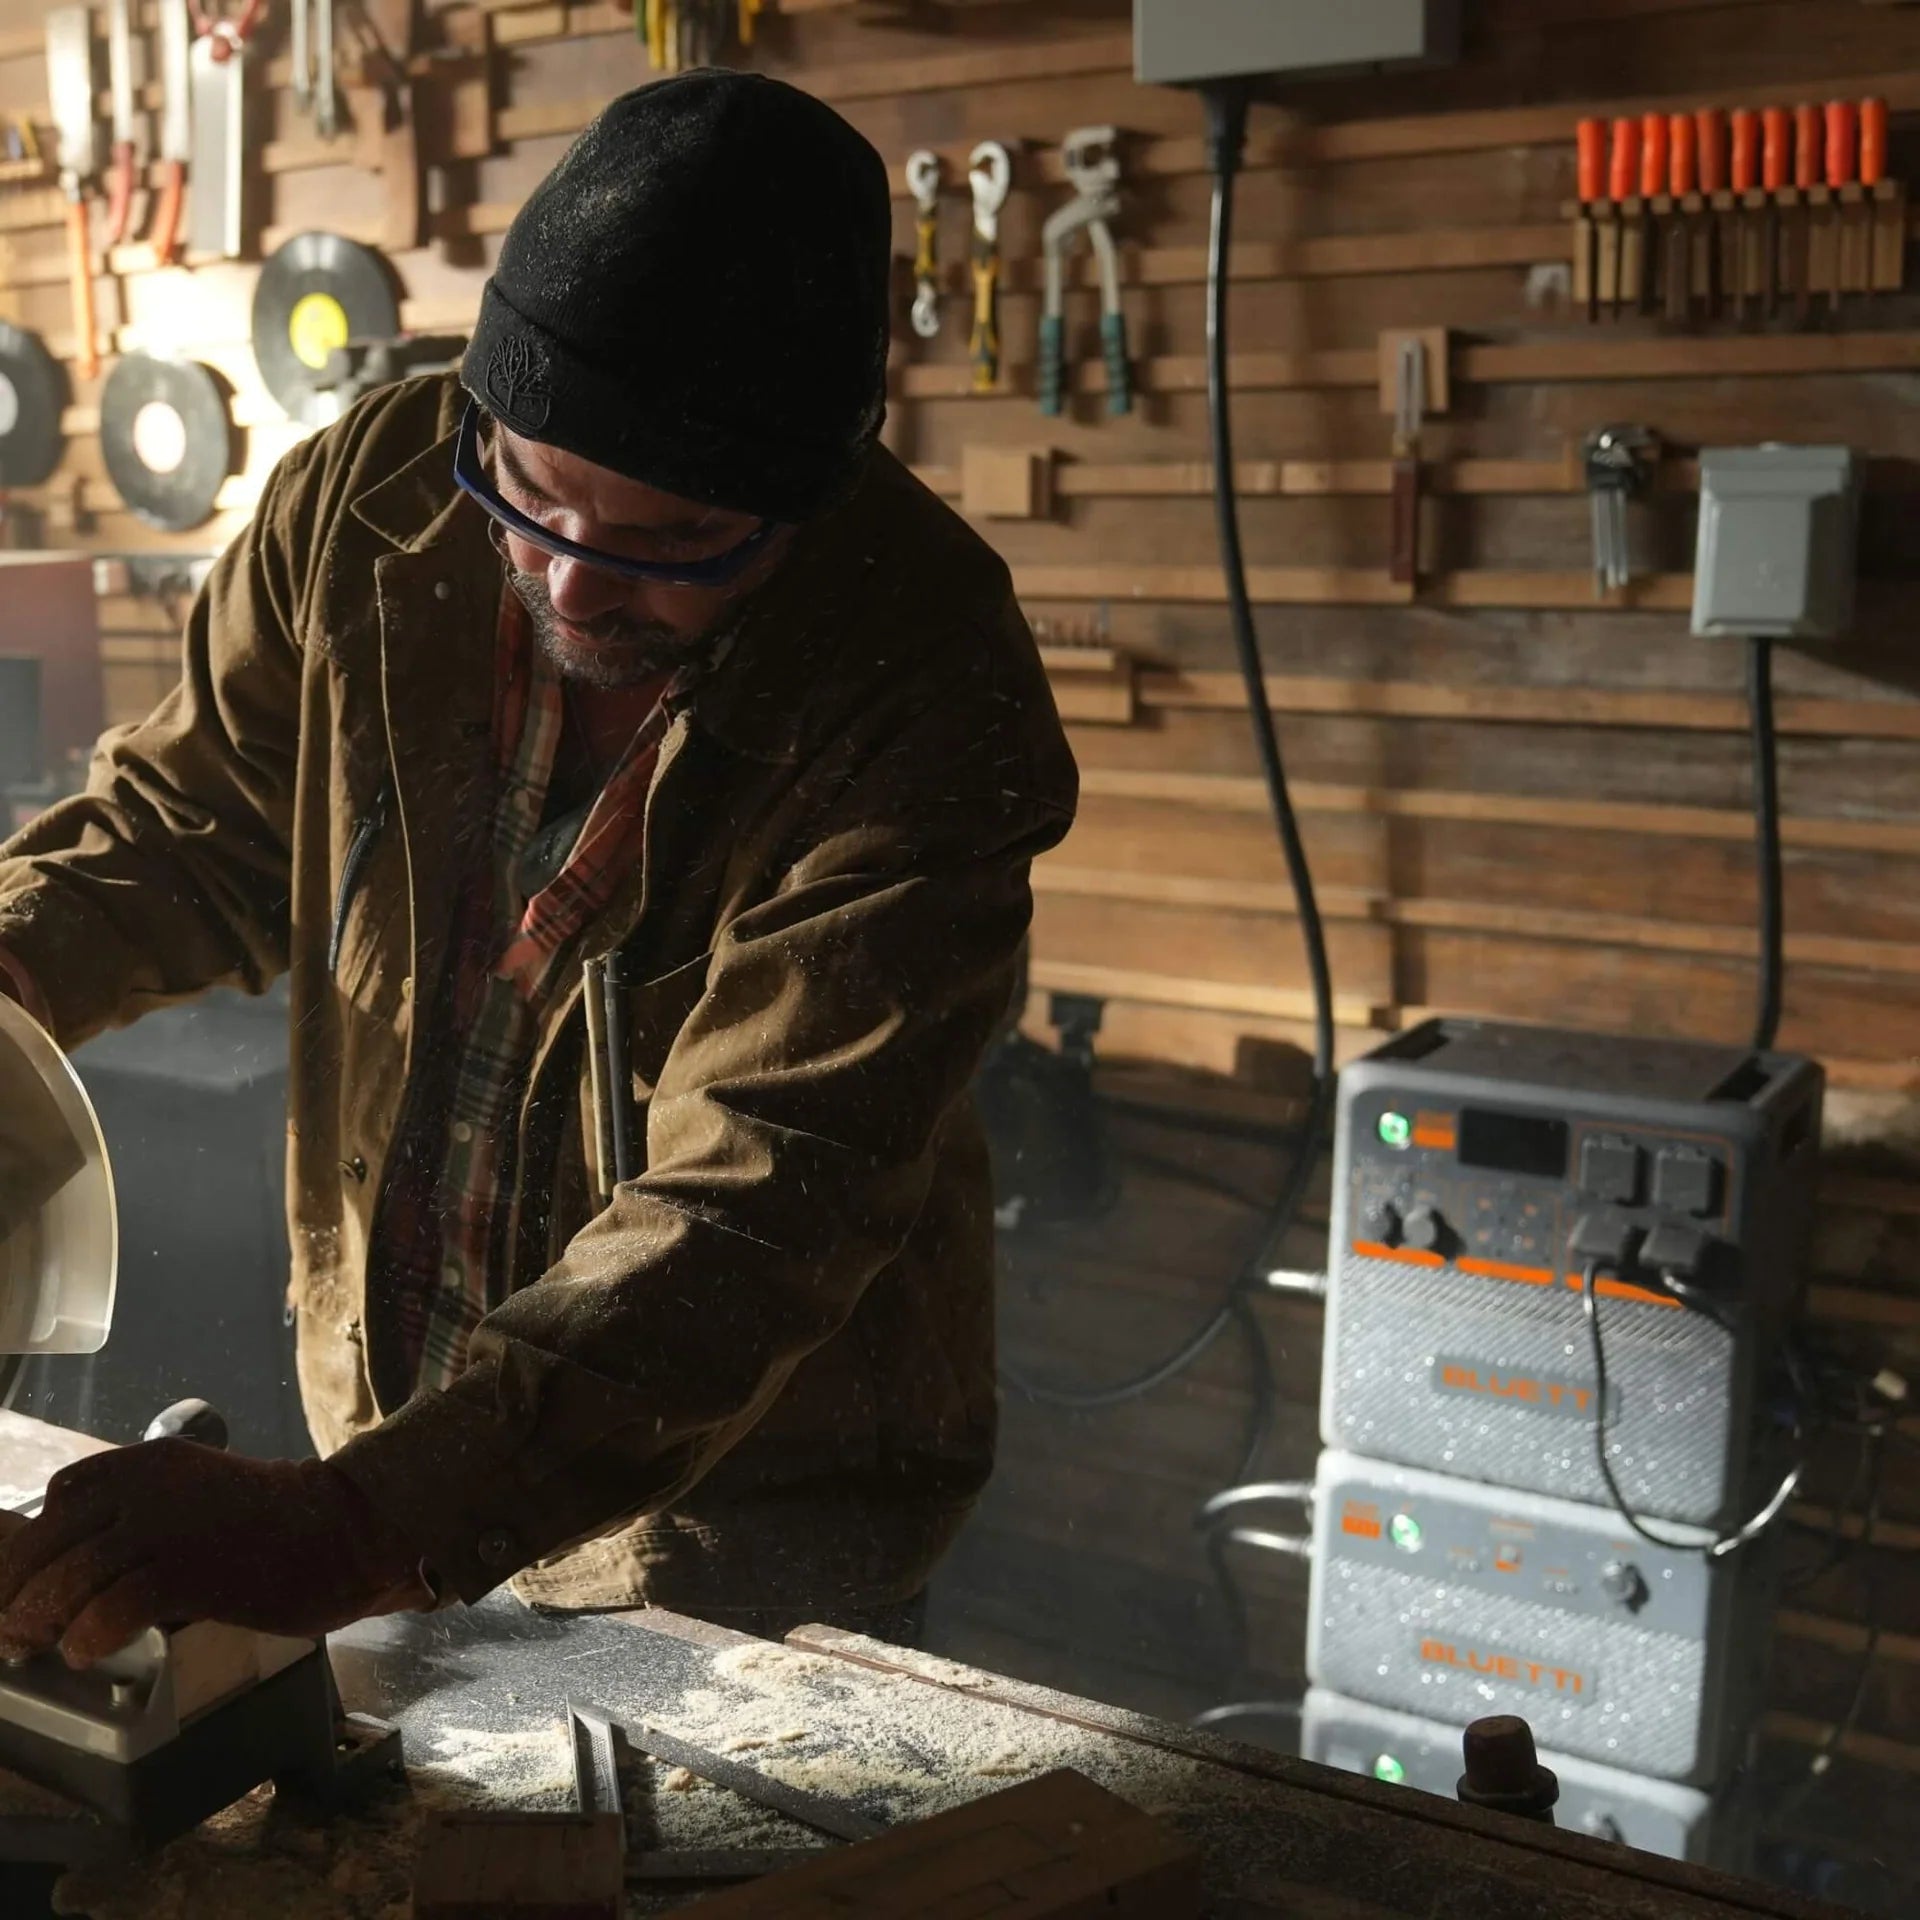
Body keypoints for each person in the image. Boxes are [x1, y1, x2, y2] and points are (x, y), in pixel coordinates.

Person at [0, 71, 1075, 1667]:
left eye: (672, 540)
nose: (572, 584)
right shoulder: (367, 501)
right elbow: (187, 827)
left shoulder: (925, 684)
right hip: (389, 1433)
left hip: (729, 1539)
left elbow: (756, 1193)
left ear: (812, 492)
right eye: (531, 491)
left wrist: (350, 1528)